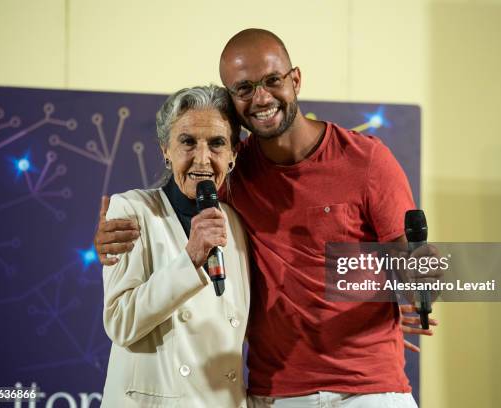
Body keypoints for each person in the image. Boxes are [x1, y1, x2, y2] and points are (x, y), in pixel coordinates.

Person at [95, 29, 438, 408]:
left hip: (370, 389)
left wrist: (417, 289)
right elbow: (170, 206)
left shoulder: (367, 159)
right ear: (232, 99)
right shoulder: (228, 176)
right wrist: (109, 240)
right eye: (244, 88)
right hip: (277, 394)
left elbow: (412, 269)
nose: (260, 98)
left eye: (273, 80)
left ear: (295, 79)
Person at [100, 85, 250, 408]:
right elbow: (120, 322)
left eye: (216, 144)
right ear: (165, 150)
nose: (202, 158)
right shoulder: (131, 210)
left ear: (233, 155)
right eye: (187, 142)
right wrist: (190, 258)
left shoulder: (236, 223)